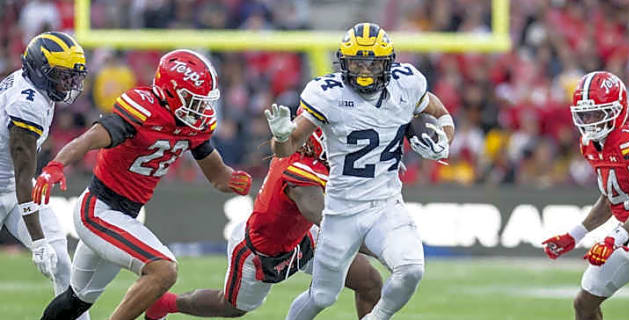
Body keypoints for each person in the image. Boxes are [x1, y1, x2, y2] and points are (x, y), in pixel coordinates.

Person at [37, 49, 252, 320]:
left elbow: (217, 176)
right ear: (171, 91)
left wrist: (232, 180)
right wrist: (57, 164)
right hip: (99, 209)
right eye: (194, 100)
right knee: (163, 269)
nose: (201, 109)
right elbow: (91, 137)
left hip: (125, 214)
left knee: (75, 302)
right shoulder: (142, 109)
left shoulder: (193, 125)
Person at [266, 23, 454, 320]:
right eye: (357, 62)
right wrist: (280, 135)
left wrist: (444, 139)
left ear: (388, 64)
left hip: (385, 205)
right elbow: (286, 150)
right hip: (341, 211)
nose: (364, 71)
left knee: (411, 269)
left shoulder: (407, 84)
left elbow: (440, 113)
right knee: (323, 295)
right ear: (344, 63)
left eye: (372, 63)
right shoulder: (327, 94)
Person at [145, 109, 383, 319]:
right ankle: (165, 304)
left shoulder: (306, 155)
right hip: (261, 250)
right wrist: (385, 249)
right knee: (231, 307)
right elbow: (327, 221)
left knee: (369, 281)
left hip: (303, 235)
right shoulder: (299, 171)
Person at [541, 71, 629, 320]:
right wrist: (574, 235)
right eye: (585, 115)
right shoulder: (589, 144)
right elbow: (611, 198)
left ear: (619, 109)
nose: (590, 121)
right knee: (584, 304)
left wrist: (613, 239)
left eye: (598, 113)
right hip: (625, 236)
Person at [0, 31, 89, 320]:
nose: (68, 83)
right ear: (39, 70)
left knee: (62, 262)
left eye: (71, 76)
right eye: (61, 75)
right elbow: (24, 174)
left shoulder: (32, 86)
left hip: (12, 185)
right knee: (50, 251)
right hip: (14, 183)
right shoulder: (27, 103)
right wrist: (37, 242)